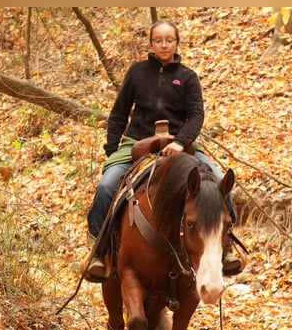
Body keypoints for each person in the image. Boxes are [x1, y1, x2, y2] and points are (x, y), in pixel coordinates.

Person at [84, 19, 245, 282]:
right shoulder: (137, 73)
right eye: (158, 40)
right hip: (137, 143)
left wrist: (180, 141)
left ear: (177, 42)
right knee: (106, 186)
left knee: (217, 182)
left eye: (169, 40)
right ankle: (98, 251)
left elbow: (196, 116)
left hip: (181, 145)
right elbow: (118, 115)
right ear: (151, 43)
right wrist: (113, 150)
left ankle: (227, 248)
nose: (164, 44)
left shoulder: (188, 77)